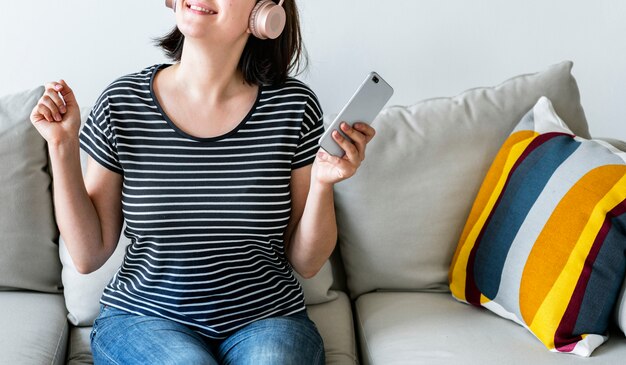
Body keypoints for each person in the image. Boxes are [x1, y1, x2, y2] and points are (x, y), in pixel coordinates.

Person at [30, 1, 375, 364]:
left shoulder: (294, 106)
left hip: (267, 319)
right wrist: (62, 144)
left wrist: (323, 183)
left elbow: (306, 263)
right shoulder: (122, 102)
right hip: (145, 319)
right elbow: (87, 255)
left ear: (266, 12)